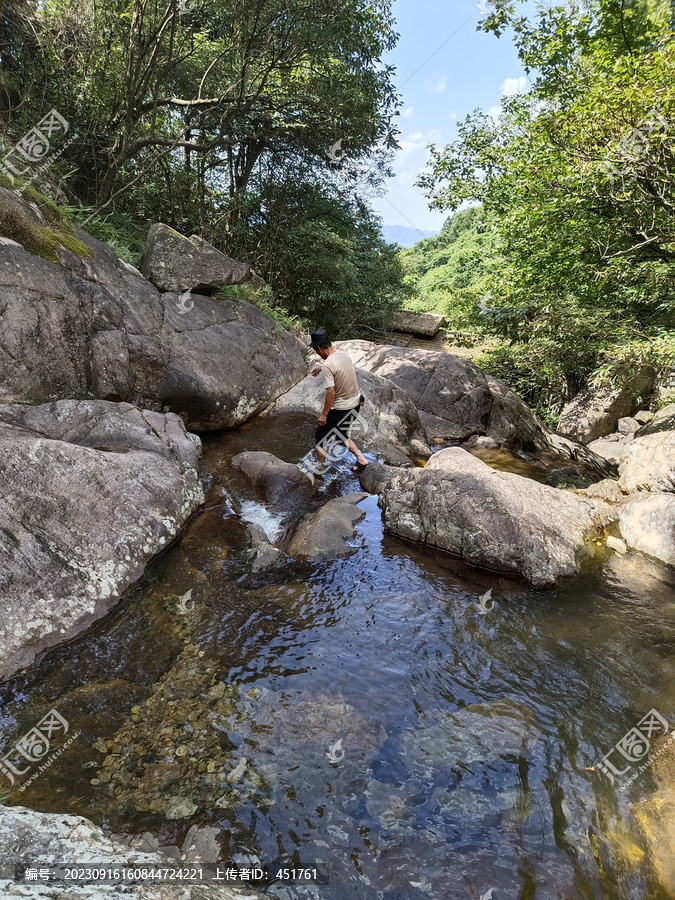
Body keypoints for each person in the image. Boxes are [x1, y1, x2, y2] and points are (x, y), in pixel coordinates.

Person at [309, 328, 369, 473]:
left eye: (316, 352)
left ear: (318, 348)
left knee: (320, 438)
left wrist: (324, 414)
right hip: (355, 405)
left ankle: (319, 469)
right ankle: (361, 459)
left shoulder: (328, 365)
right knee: (340, 433)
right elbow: (337, 367)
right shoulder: (343, 355)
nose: (318, 354)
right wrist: (321, 366)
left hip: (342, 409)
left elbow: (331, 392)